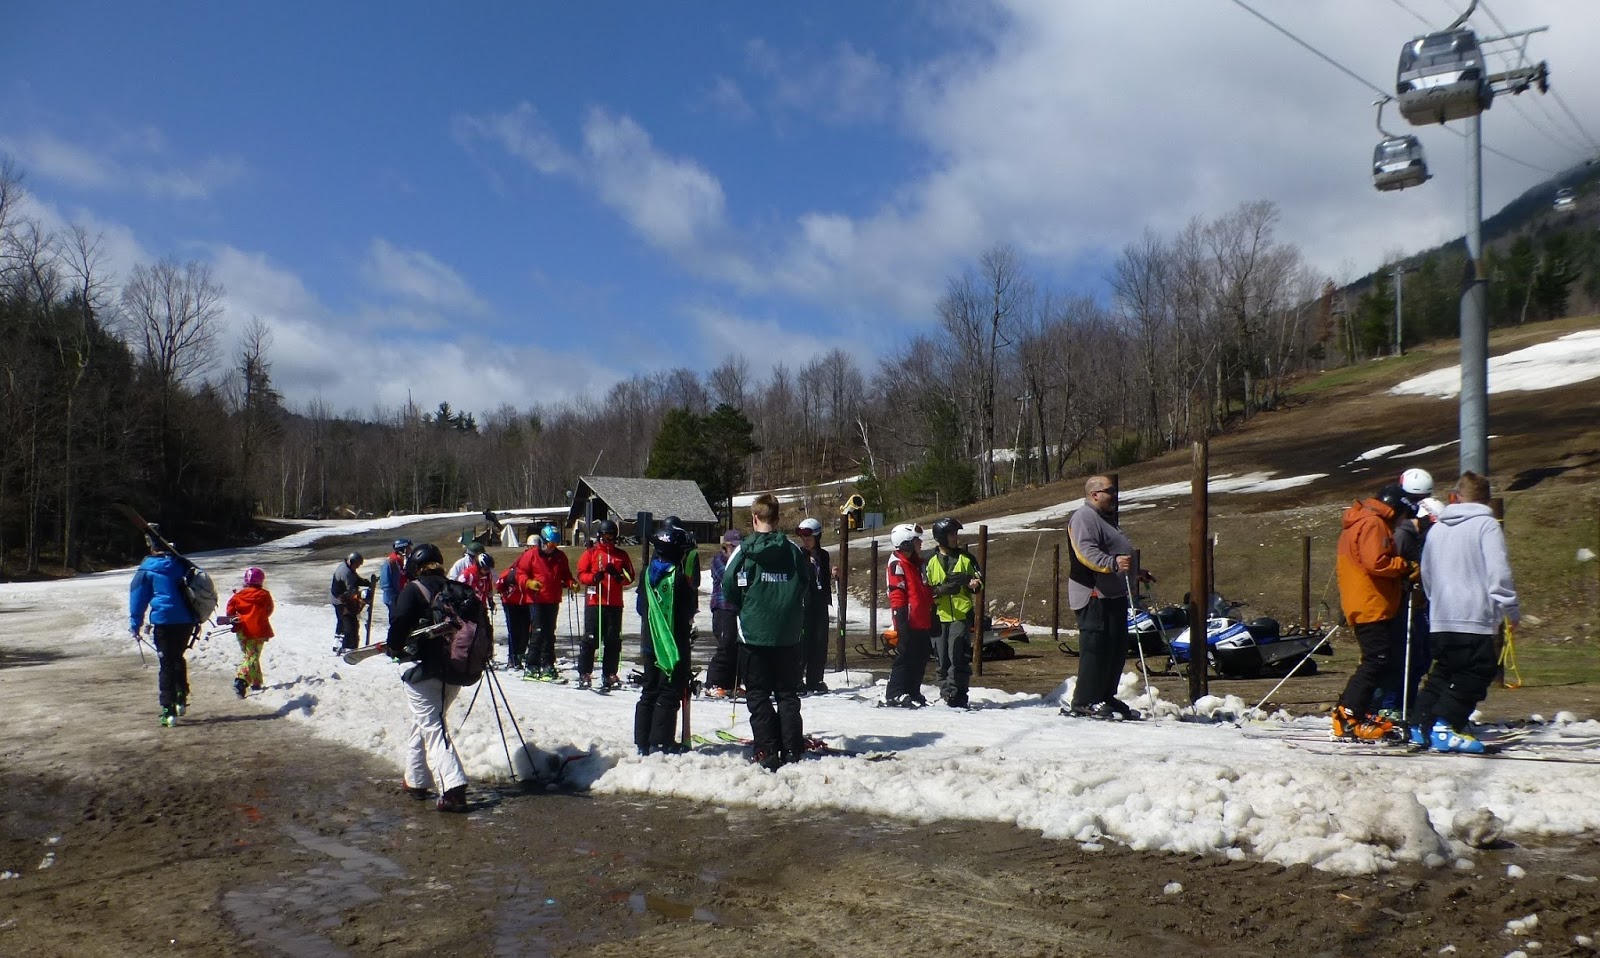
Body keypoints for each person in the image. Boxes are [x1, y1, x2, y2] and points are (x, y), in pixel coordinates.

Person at [1412, 472, 1521, 753]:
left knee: (1444, 669)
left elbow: (1427, 572)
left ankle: (1419, 722)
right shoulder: (1485, 526)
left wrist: (1435, 601)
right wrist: (1510, 608)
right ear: (1485, 498)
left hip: (1442, 613)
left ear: (1457, 496)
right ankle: (1445, 724)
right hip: (1473, 614)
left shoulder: (1437, 528)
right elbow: (1499, 572)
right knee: (1477, 671)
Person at [721, 493, 813, 769]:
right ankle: (792, 748)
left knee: (758, 693)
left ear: (754, 518)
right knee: (787, 693)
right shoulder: (793, 550)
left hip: (754, 633)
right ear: (777, 518)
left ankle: (767, 748)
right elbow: (804, 583)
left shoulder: (744, 550)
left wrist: (746, 607)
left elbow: (728, 586)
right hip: (787, 633)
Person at [389, 542, 470, 813]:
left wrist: (393, 648)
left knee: (433, 727)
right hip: (456, 670)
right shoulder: (455, 590)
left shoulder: (413, 590)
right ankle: (417, 780)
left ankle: (453, 789)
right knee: (424, 722)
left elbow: (398, 626)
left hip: (421, 671)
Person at [1331, 483, 1415, 741]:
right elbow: (1376, 561)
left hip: (1365, 600)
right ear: (1395, 509)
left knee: (1378, 659)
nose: (1402, 522)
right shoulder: (1374, 524)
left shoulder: (1361, 521)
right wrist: (1404, 565)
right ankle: (1347, 715)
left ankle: (1355, 711)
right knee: (1376, 660)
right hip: (1371, 602)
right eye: (1402, 515)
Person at [1064, 476, 1148, 720]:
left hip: (1114, 593)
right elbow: (1085, 552)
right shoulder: (1084, 517)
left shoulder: (1105, 519)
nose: (1114, 495)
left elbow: (1117, 552)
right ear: (1095, 494)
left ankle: (1105, 695)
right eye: (1110, 491)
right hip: (1093, 593)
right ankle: (1084, 700)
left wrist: (1135, 572)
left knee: (1116, 646)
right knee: (1096, 647)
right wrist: (1111, 563)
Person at [1376, 469, 1436, 721]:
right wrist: (1408, 570)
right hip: (1403, 600)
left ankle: (1405, 702)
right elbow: (1390, 562)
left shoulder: (1418, 520)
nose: (1418, 502)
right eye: (1415, 497)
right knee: (1402, 655)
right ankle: (1387, 703)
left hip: (1419, 598)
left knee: (1420, 655)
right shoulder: (1401, 529)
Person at [634, 524, 699, 754]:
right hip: (672, 644)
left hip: (649, 640)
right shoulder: (678, 578)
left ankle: (642, 740)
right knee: (669, 690)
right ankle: (661, 741)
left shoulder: (646, 572)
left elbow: (641, 607)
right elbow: (687, 612)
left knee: (649, 688)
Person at [129, 534, 198, 727]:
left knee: (166, 663)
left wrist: (135, 624)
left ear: (152, 548)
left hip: (164, 621)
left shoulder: (147, 569)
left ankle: (168, 710)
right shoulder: (180, 564)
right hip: (186, 620)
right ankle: (181, 696)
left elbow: (137, 598)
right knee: (177, 657)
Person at [926, 517, 983, 709]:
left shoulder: (967, 558)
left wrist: (973, 584)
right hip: (938, 615)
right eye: (951, 534)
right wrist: (942, 590)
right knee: (942, 659)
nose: (955, 538)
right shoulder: (929, 561)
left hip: (961, 614)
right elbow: (923, 590)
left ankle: (958, 693)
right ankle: (945, 692)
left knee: (957, 655)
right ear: (941, 537)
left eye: (956, 534)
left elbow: (979, 582)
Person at [576, 519, 635, 690]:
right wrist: (593, 578)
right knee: (591, 639)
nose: (607, 541)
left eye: (611, 538)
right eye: (604, 538)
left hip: (614, 604)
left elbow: (630, 577)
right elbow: (581, 574)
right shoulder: (592, 553)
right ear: (599, 537)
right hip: (595, 603)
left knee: (612, 641)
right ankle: (585, 672)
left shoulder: (621, 555)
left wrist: (618, 577)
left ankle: (609, 673)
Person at [513, 524, 577, 680]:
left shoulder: (560, 556)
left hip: (553, 599)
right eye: (550, 544)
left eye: (555, 544)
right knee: (538, 632)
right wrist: (528, 582)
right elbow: (520, 574)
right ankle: (531, 665)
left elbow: (565, 574)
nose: (552, 547)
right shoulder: (531, 555)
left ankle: (548, 664)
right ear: (542, 541)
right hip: (537, 599)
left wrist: (571, 583)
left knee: (549, 634)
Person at [884, 522, 934, 708]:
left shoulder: (918, 564)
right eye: (916, 541)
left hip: (922, 619)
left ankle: (913, 690)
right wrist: (900, 620)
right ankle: (895, 692)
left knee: (920, 657)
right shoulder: (897, 564)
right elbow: (897, 593)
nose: (920, 543)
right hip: (908, 618)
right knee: (905, 656)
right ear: (905, 543)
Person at [795, 517, 834, 695]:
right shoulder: (799, 555)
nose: (806, 542)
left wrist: (832, 575)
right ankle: (796, 679)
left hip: (820, 604)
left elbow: (822, 578)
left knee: (820, 642)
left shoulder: (823, 555)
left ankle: (815, 679)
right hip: (804, 604)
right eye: (804, 539)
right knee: (803, 643)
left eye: (809, 538)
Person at [703, 529, 744, 698]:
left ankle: (732, 683)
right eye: (733, 547)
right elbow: (729, 578)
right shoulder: (719, 560)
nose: (736, 550)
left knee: (738, 647)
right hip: (722, 608)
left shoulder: (741, 562)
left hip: (737, 609)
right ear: (726, 546)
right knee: (725, 644)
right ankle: (713, 682)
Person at [227, 567, 275, 698]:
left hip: (242, 630)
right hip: (258, 629)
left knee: (250, 655)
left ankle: (256, 682)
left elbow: (230, 611)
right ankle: (241, 680)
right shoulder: (264, 595)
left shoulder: (238, 595)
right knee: (252, 656)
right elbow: (269, 610)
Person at [330, 552, 367, 655]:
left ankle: (338, 645)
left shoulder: (348, 568)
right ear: (352, 562)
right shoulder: (345, 572)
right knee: (345, 622)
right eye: (357, 565)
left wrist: (365, 582)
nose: (358, 567)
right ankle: (342, 645)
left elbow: (355, 579)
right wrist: (361, 596)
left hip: (342, 598)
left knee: (342, 622)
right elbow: (352, 589)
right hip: (339, 600)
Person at [379, 538, 411, 615]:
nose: (410, 550)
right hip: (393, 600)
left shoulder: (404, 562)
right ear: (402, 550)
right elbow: (385, 585)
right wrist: (394, 600)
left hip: (402, 598)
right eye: (408, 548)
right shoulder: (390, 563)